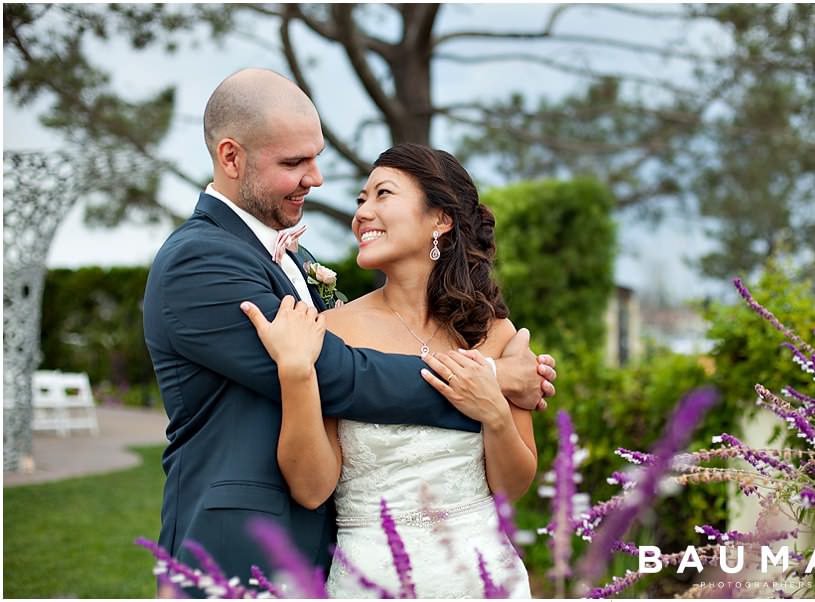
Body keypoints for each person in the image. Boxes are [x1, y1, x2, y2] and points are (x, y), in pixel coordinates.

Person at [142, 68, 557, 587]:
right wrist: (489, 379)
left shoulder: (301, 262)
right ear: (231, 157)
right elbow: (338, 375)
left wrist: (494, 402)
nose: (316, 179)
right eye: (294, 162)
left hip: (430, 565)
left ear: (442, 219)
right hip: (242, 546)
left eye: (315, 158)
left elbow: (512, 481)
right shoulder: (199, 261)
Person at [241, 143, 538, 597]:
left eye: (383, 194)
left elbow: (511, 488)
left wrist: (494, 412)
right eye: (361, 200)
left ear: (440, 219)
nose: (362, 213)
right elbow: (311, 487)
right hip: (372, 579)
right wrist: (296, 371)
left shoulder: (494, 333)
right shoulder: (331, 330)